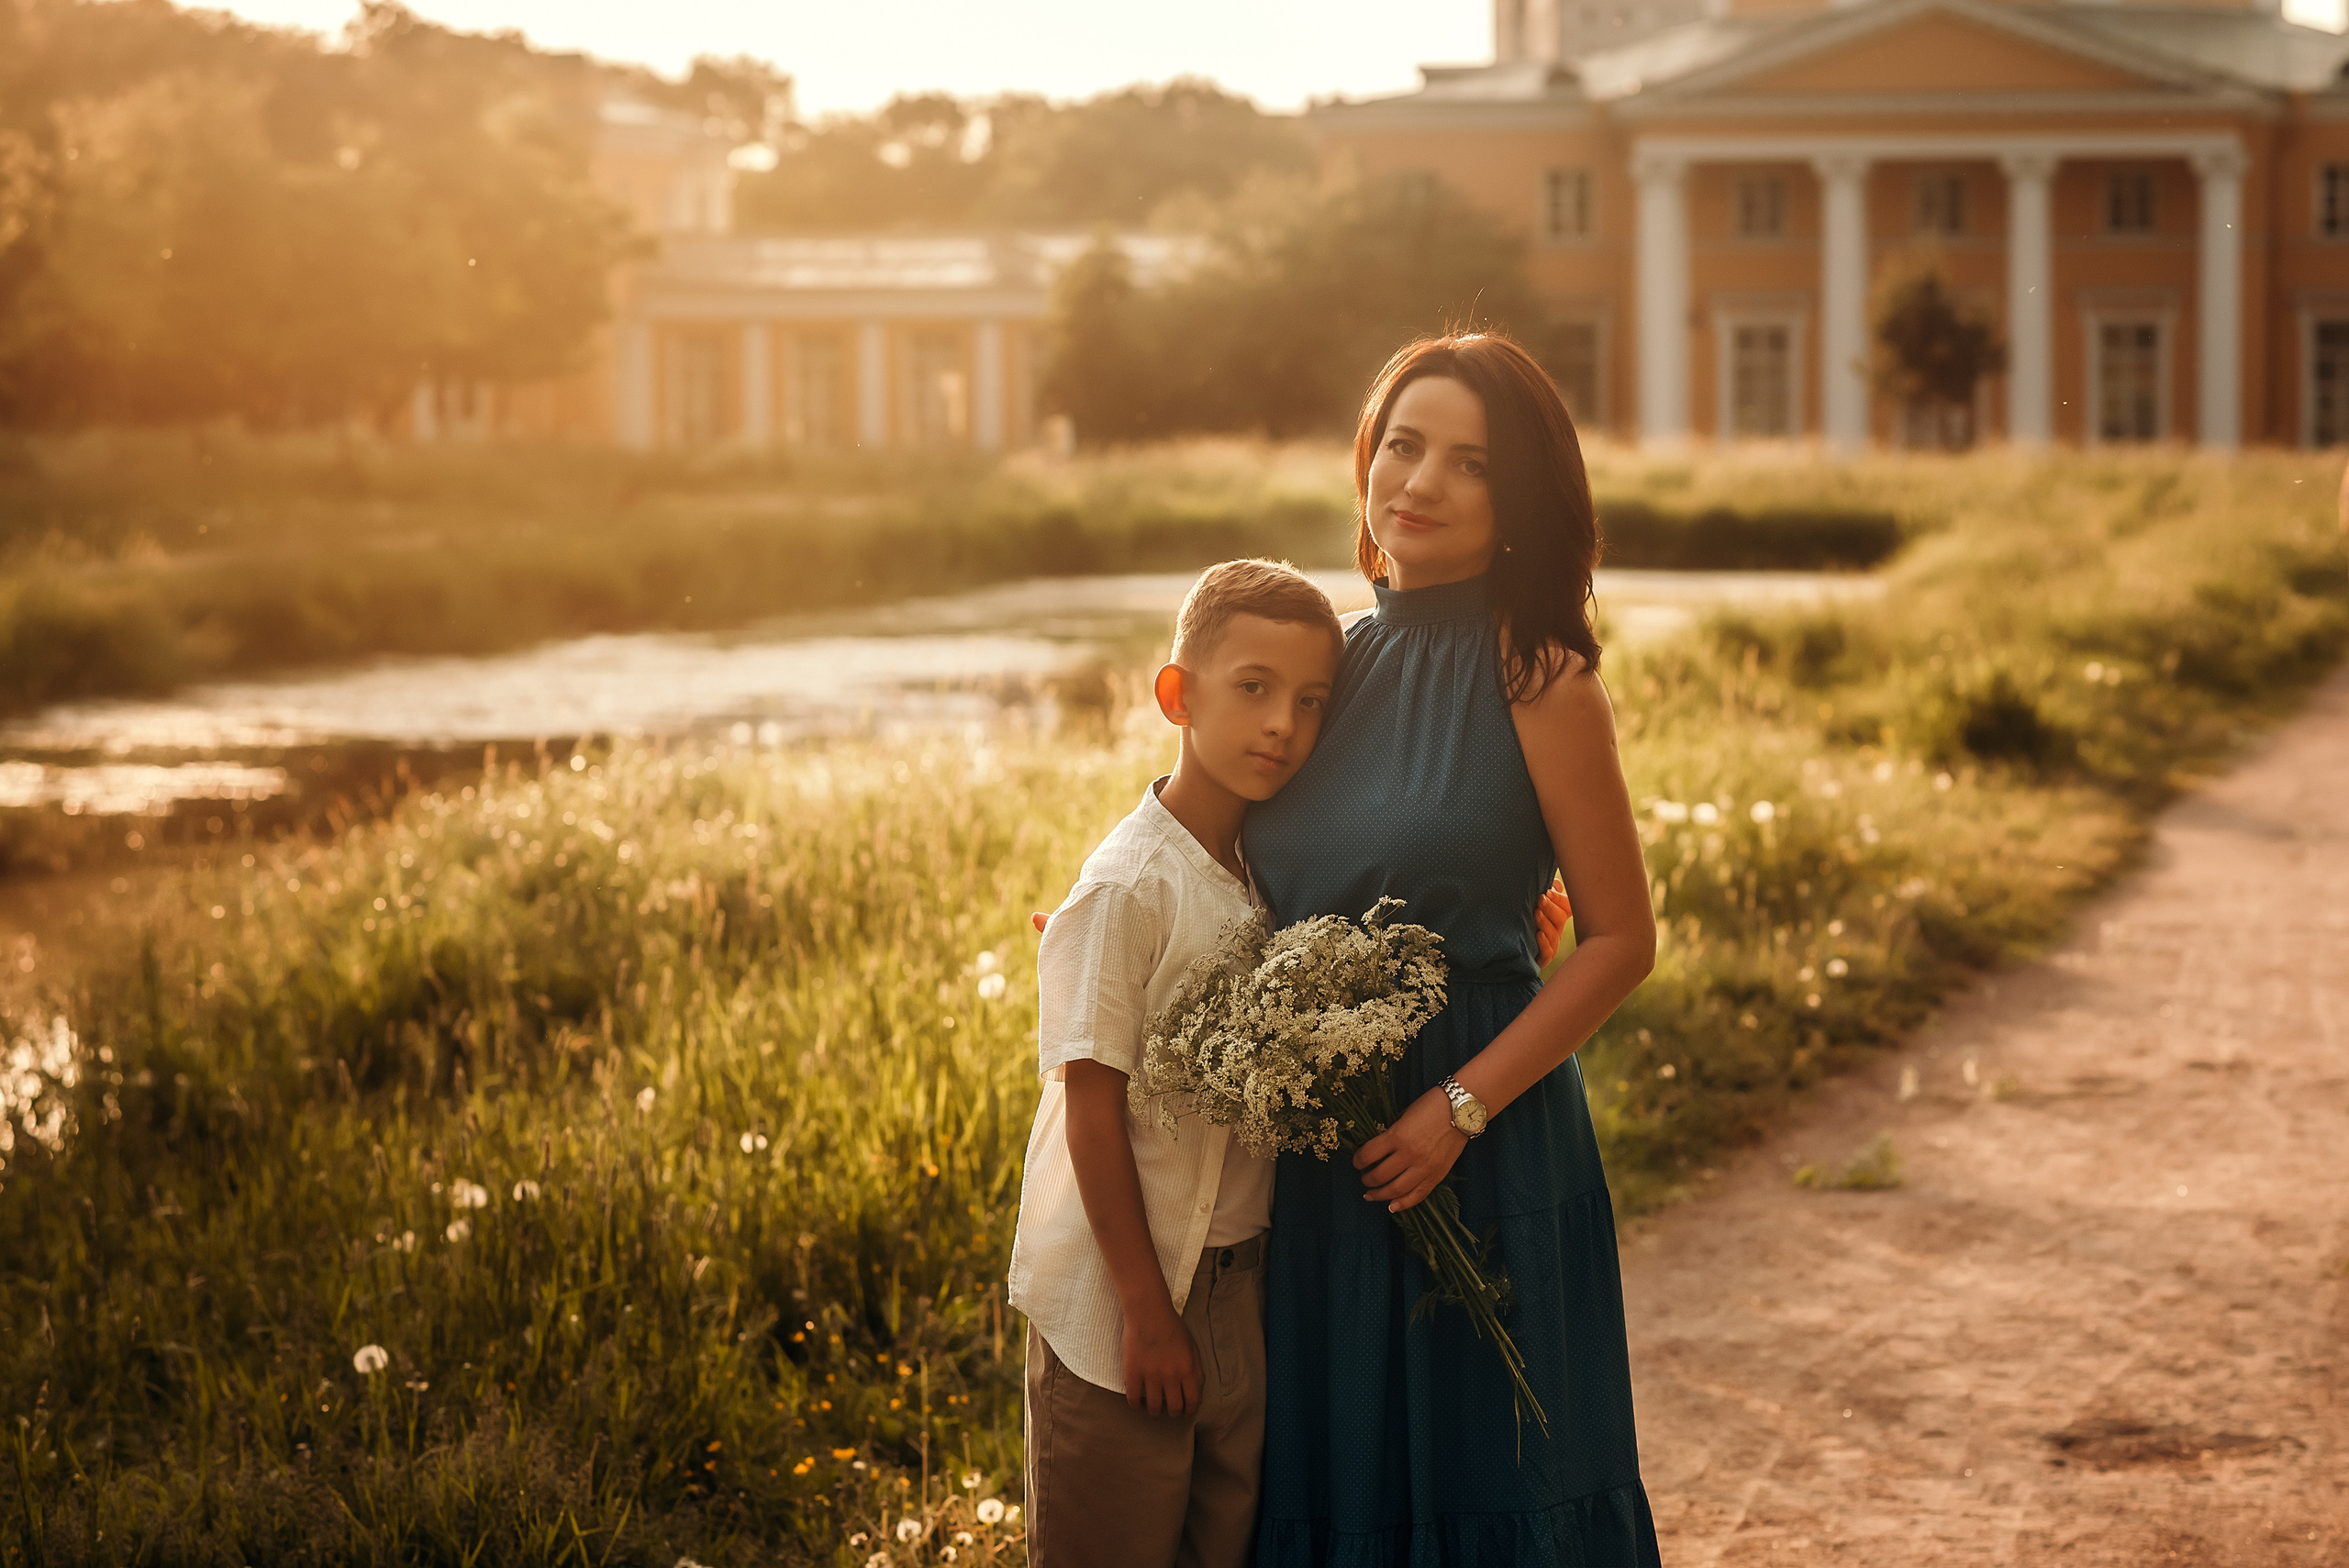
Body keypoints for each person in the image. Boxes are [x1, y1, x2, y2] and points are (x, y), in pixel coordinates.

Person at [1244, 333, 1664, 1563]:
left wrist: (1457, 1110)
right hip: (1327, 1155)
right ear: (1367, 460)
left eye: (1469, 462)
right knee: (1346, 1477)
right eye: (1404, 444)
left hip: (1484, 1139)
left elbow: (1622, 937)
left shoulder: (1540, 673)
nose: (1420, 482)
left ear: (1518, 497)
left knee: (1497, 1476)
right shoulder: (1325, 662)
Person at [1007, 559, 1343, 1568]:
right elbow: (1090, 1113)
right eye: (1253, 687)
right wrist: (1148, 1315)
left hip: (1238, 1291)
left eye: (1311, 701)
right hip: (1122, 1301)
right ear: (1176, 695)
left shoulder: (1273, 875)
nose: (1283, 722)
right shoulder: (1127, 886)